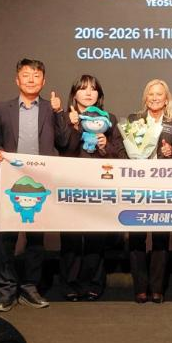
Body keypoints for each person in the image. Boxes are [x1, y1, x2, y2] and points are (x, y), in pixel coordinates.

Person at [0, 58, 70, 312]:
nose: (31, 80)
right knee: (7, 240)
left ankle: (30, 287)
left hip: (40, 183)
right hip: (11, 182)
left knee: (36, 240)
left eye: (36, 76)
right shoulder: (3, 108)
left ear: (43, 81)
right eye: (26, 75)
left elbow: (64, 142)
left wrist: (59, 112)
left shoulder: (50, 108)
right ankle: (6, 290)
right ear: (17, 79)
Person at [61, 74, 124, 302]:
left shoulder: (109, 119)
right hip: (70, 185)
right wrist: (74, 126)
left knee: (96, 237)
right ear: (74, 93)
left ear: (99, 94)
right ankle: (71, 284)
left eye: (93, 89)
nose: (88, 93)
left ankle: (93, 284)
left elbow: (121, 154)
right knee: (71, 238)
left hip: (99, 187)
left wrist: (106, 146)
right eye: (83, 88)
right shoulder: (64, 118)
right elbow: (63, 148)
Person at [125, 79, 172, 304]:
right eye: (151, 94)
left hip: (164, 186)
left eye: (159, 94)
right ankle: (140, 287)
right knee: (136, 237)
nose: (155, 98)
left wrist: (171, 152)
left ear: (166, 99)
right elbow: (124, 150)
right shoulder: (133, 120)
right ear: (145, 98)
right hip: (138, 185)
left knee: (160, 237)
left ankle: (157, 288)